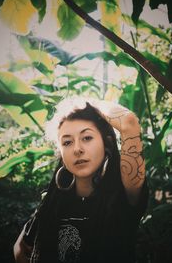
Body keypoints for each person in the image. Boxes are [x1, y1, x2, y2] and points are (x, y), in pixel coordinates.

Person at [13, 96, 149, 263]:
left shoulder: (123, 194)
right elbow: (24, 247)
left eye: (87, 138)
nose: (77, 149)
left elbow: (129, 122)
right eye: (67, 142)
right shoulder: (53, 201)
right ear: (61, 153)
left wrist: (84, 104)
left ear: (106, 144)